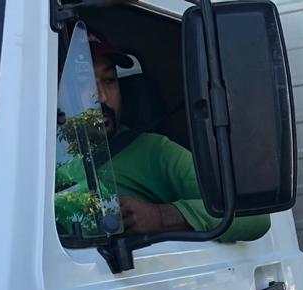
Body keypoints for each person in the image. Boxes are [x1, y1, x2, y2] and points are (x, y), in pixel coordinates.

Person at [56, 31, 268, 243]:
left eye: (110, 80)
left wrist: (162, 217)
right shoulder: (36, 159)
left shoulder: (152, 152)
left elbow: (253, 215)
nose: (101, 96)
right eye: (84, 84)